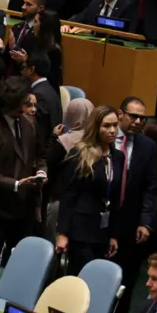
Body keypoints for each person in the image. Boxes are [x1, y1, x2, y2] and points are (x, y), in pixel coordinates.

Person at [0, 77, 46, 266]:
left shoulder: (29, 124)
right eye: (23, 102)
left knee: (20, 262)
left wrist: (41, 172)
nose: (27, 106)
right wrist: (14, 184)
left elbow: (39, 155)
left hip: (24, 208)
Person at [56, 105, 124, 275]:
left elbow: (114, 197)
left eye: (115, 125)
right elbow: (68, 196)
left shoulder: (118, 157)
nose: (112, 130)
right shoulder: (80, 153)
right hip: (80, 229)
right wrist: (62, 233)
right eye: (106, 126)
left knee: (96, 278)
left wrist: (114, 234)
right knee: (81, 276)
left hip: (103, 230)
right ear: (95, 127)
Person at [113, 96, 157, 313]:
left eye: (143, 118)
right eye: (134, 116)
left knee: (127, 273)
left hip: (131, 220)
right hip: (101, 217)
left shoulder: (148, 146)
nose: (139, 122)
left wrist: (146, 222)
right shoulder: (106, 137)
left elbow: (151, 188)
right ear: (120, 114)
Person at [22, 54, 61, 142]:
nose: (22, 70)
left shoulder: (38, 94)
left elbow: (38, 128)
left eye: (24, 67)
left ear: (31, 69)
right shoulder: (48, 88)